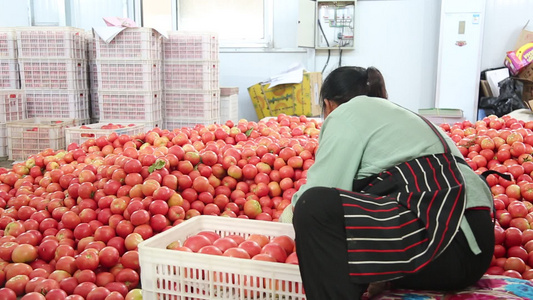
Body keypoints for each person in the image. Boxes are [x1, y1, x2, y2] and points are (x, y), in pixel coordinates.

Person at [279, 66, 495, 299]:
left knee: (314, 206)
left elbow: (324, 187)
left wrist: (285, 222)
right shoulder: (398, 115)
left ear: (329, 104)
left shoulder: (347, 113)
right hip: (474, 251)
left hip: (448, 243)